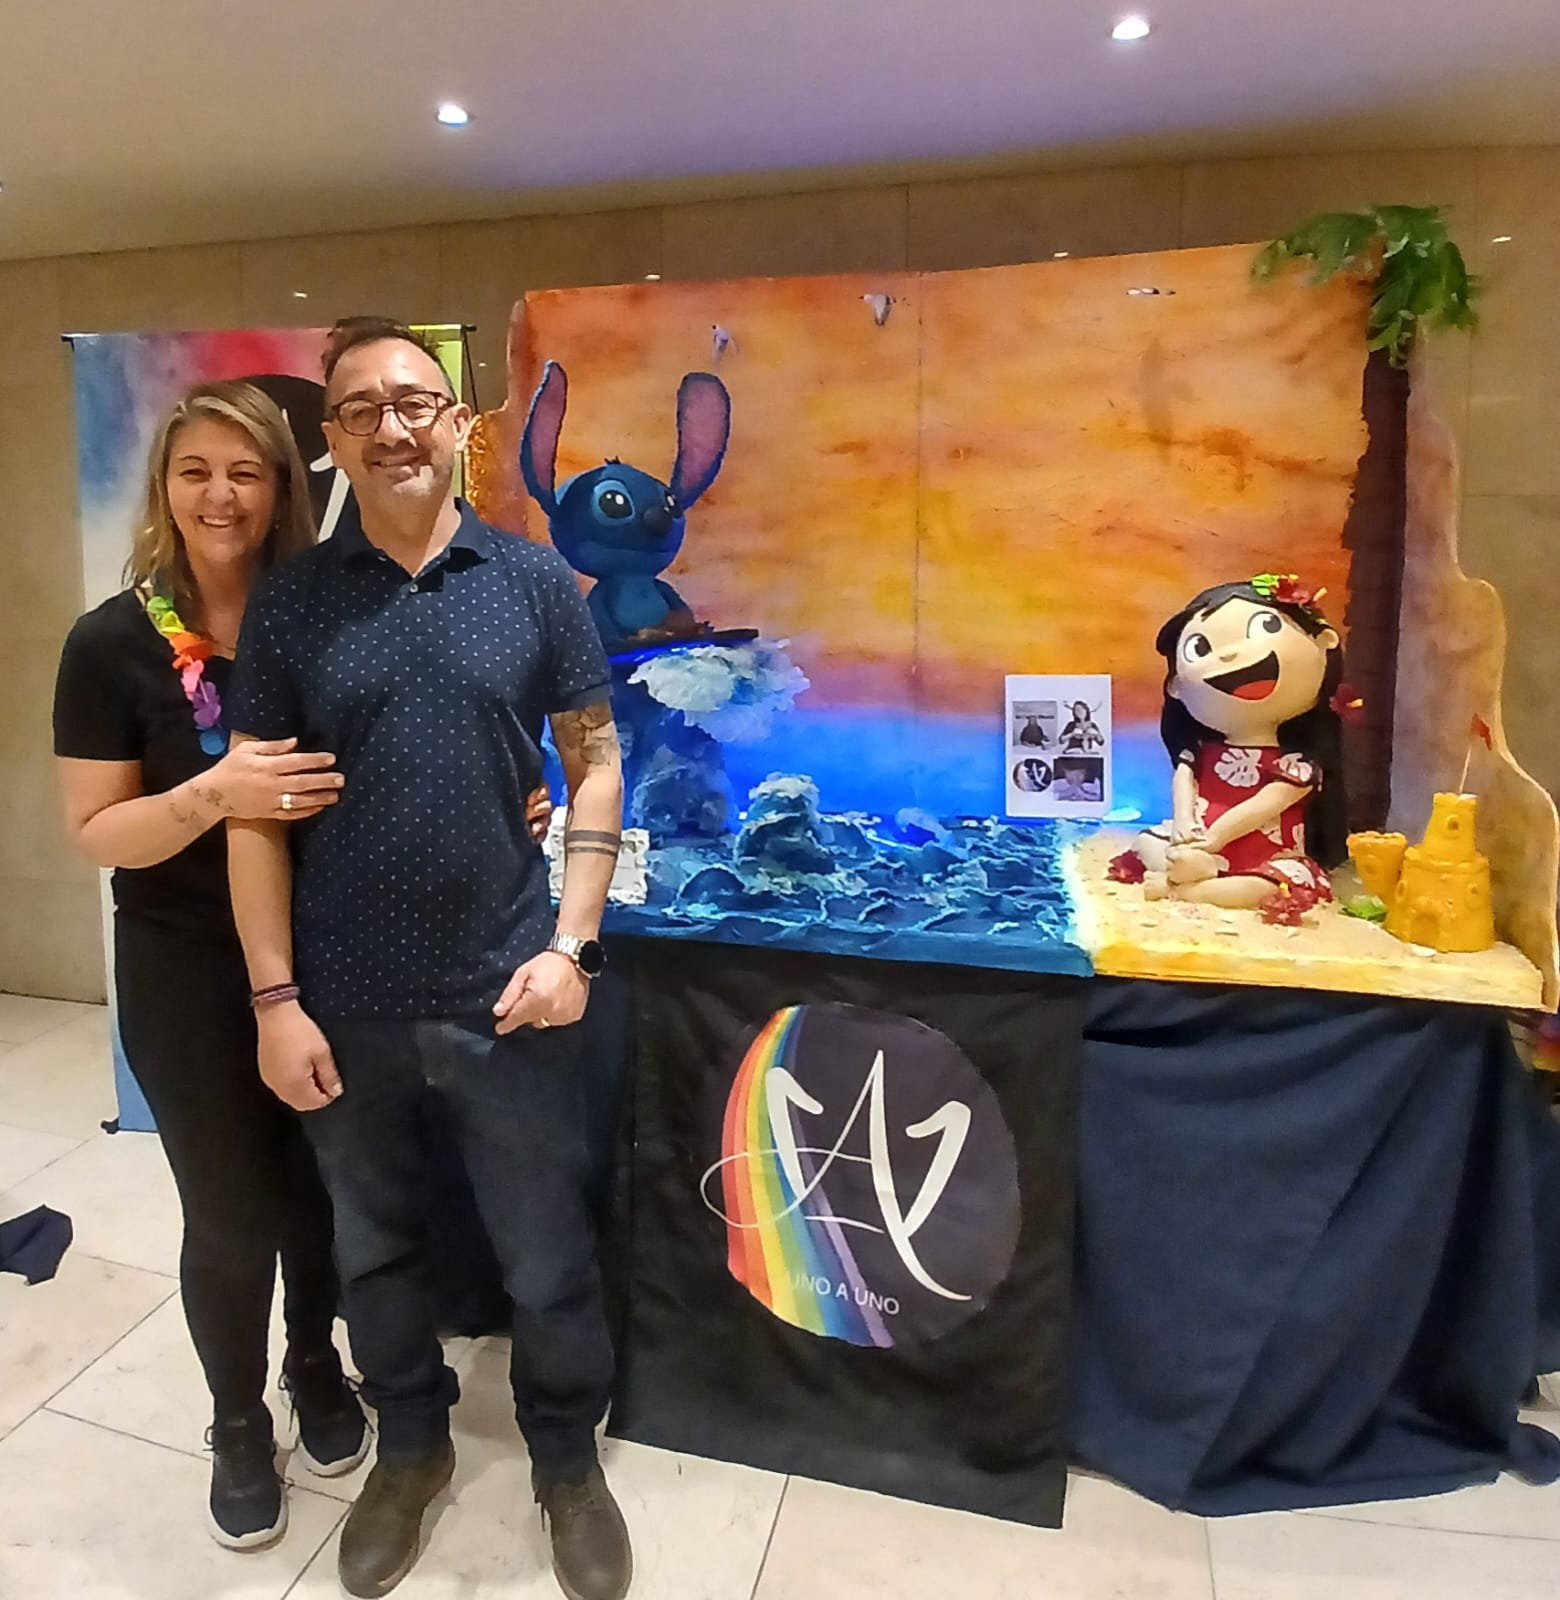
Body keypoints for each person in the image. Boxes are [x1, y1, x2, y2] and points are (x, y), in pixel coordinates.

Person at [225, 318, 632, 1600]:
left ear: (458, 423)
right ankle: (409, 1446)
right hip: (345, 1003)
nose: (392, 428)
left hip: (509, 991)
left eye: (415, 402)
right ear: (333, 441)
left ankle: (566, 1459)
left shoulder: (534, 582)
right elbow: (252, 813)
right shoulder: (293, 604)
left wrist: (574, 945)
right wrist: (274, 999)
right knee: (377, 1253)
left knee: (546, 1256)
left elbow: (594, 760)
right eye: (361, 410)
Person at [52, 381, 366, 1551]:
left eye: (246, 472)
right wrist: (215, 793)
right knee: (231, 1213)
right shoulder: (110, 644)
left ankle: (314, 1358)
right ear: (164, 488)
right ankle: (237, 1418)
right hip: (185, 969)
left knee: (320, 1194)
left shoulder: (322, 623)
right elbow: (97, 831)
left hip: (328, 953)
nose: (220, 495)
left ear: (282, 489)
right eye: (196, 471)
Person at [1122, 577, 1348, 909]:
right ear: (1176, 687)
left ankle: (1184, 889)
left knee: (1268, 886)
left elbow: (1265, 805)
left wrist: (1215, 840)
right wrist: (1184, 823)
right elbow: (1185, 780)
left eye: (1266, 626)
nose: (1228, 655)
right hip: (1197, 840)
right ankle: (1196, 873)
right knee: (1148, 844)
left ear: (1323, 643)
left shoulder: (1297, 765)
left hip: (1263, 852)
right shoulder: (1201, 752)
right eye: (1200, 649)